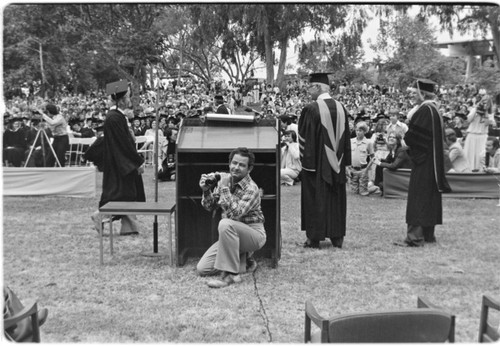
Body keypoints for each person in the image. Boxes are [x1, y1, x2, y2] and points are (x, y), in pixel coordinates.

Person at [196, 147, 267, 288]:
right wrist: (206, 190)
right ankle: (244, 260)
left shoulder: (251, 188)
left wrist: (223, 189)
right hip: (231, 235)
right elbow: (209, 206)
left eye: (242, 165)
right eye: (234, 163)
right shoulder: (226, 180)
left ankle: (230, 276)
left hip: (253, 235)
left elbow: (236, 214)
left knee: (225, 224)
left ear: (249, 169)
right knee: (203, 268)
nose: (236, 167)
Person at [394, 78, 451, 247]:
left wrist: (404, 139)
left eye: (414, 93)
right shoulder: (435, 110)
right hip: (433, 162)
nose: (412, 96)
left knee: (418, 197)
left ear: (423, 93)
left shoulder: (425, 110)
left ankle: (414, 237)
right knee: (429, 196)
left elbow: (415, 138)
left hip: (424, 162)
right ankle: (428, 234)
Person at [298, 72, 351, 249]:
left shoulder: (311, 109)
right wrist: (344, 163)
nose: (307, 90)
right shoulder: (342, 108)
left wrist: (307, 165)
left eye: (309, 86)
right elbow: (347, 141)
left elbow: (305, 139)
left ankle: (314, 237)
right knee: (336, 197)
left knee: (316, 197)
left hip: (318, 166)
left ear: (318, 87)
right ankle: (337, 236)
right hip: (338, 164)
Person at [91, 80, 146, 236]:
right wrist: (137, 161)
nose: (129, 99)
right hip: (120, 163)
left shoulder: (117, 116)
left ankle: (129, 227)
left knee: (129, 193)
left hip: (121, 162)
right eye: (128, 96)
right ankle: (100, 216)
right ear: (121, 99)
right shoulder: (114, 117)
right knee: (122, 195)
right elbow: (124, 144)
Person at [463, 94, 496, 170]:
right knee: (469, 154)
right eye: (483, 101)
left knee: (481, 155)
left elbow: (487, 124)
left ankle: (480, 170)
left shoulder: (490, 113)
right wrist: (476, 110)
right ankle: (468, 170)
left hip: (482, 136)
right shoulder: (474, 109)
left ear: (489, 103)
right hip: (472, 135)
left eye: (487, 102)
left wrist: (485, 112)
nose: (484, 104)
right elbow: (469, 120)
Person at [347, 121, 374, 196]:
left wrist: (367, 169)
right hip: (353, 169)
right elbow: (348, 155)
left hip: (363, 169)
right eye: (357, 130)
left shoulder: (368, 143)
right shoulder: (351, 141)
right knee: (354, 192)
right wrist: (348, 168)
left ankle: (375, 189)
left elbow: (373, 158)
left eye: (360, 131)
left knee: (363, 192)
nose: (358, 132)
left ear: (365, 131)